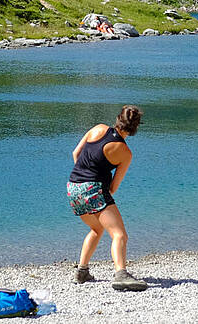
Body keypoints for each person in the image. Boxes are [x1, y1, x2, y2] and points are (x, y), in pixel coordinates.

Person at [67, 105, 148, 292]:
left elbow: (75, 154)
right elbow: (113, 187)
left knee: (96, 228)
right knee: (119, 234)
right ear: (135, 128)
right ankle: (121, 275)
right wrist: (96, 188)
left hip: (73, 187)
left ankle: (82, 271)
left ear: (118, 118)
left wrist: (82, 178)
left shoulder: (98, 128)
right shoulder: (125, 152)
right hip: (94, 190)